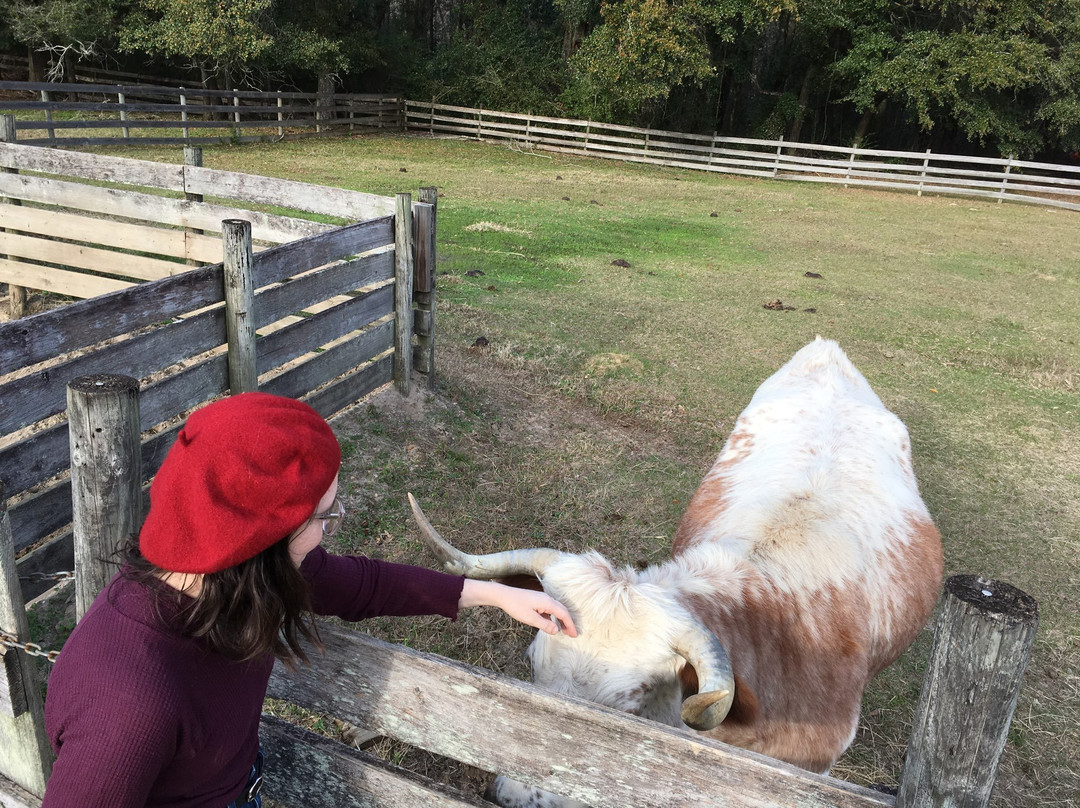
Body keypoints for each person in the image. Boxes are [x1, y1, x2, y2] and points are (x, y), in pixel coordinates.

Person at [42, 392, 577, 808]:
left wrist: (492, 593)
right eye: (325, 516)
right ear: (263, 542)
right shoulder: (127, 701)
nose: (331, 528)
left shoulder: (229, 577)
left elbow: (361, 585)